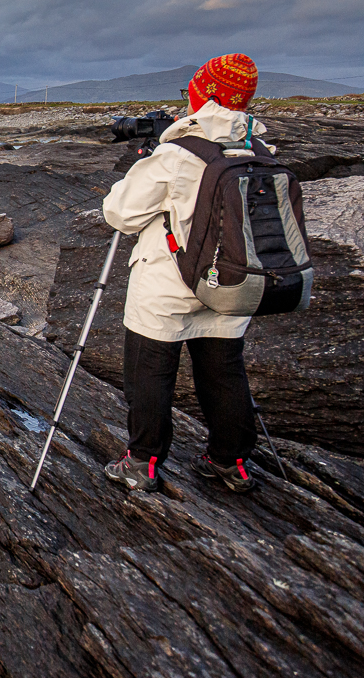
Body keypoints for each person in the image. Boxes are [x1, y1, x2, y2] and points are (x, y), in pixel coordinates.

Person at [100, 53, 265, 495]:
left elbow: (120, 212)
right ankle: (231, 463)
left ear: (204, 93)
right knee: (224, 373)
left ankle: (143, 462)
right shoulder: (257, 147)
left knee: (150, 371)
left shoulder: (178, 152)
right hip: (231, 279)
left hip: (169, 284)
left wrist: (150, 158)